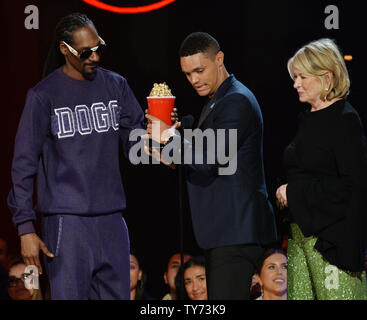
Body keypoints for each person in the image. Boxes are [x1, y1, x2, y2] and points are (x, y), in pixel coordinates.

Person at [7, 13, 146, 300]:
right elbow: (23, 165)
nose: (94, 57)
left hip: (112, 220)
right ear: (63, 49)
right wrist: (25, 227)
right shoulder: (43, 96)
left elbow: (136, 151)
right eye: (85, 52)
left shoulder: (115, 85)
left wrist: (159, 134)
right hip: (66, 223)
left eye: (98, 48)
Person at [146, 32, 278, 299]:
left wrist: (169, 137)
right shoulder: (218, 100)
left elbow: (208, 159)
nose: (194, 80)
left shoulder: (236, 100)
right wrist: (172, 144)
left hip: (236, 232)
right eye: (187, 74)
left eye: (199, 70)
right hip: (225, 233)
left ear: (219, 59)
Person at [276, 38, 367, 300]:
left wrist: (294, 193)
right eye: (295, 77)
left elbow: (352, 187)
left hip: (332, 243)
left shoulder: (345, 120)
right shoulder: (306, 119)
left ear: (326, 77)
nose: (296, 84)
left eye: (302, 77)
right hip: (300, 238)